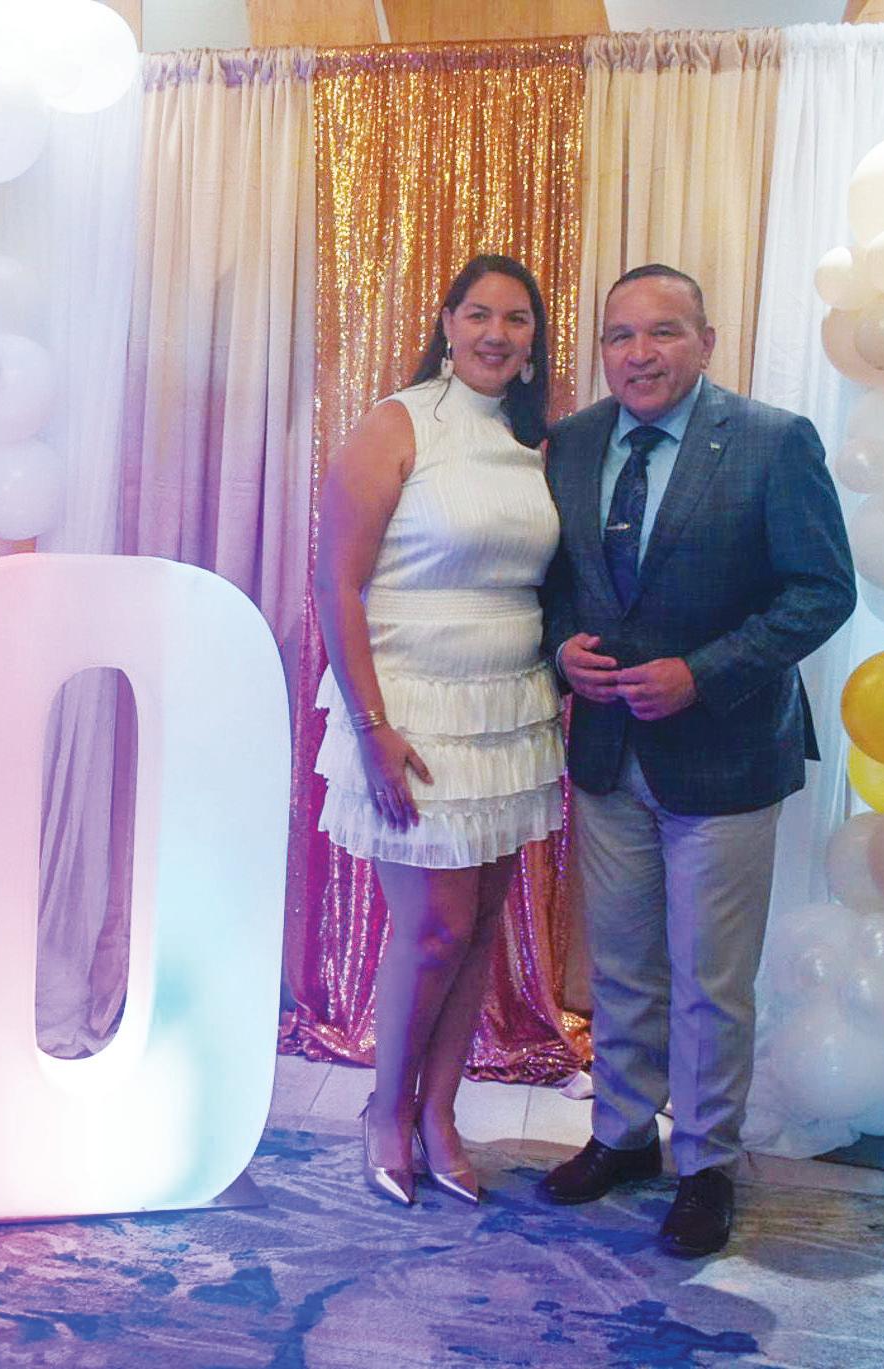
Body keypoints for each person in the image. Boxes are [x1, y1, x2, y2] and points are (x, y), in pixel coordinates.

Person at [537, 264, 855, 1257]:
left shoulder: (772, 440)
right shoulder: (573, 442)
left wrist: (703, 674)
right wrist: (561, 647)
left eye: (664, 331)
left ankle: (706, 1163)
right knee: (623, 964)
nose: (639, 353)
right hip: (607, 751)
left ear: (707, 341)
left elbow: (822, 590)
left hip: (725, 754)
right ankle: (621, 1135)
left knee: (711, 977)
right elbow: (554, 582)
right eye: (620, 335)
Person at [314, 254, 565, 1207]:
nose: (496, 332)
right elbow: (337, 583)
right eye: (478, 314)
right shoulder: (397, 422)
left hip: (506, 708)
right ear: (448, 324)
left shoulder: (535, 443)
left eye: (516, 318)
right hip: (412, 708)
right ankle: (384, 1109)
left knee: (478, 928)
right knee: (435, 929)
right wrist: (370, 725)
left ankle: (439, 1113)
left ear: (533, 340)